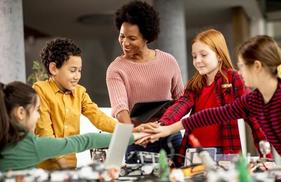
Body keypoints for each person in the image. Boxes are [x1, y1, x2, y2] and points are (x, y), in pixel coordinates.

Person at [148, 35, 281, 167]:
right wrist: (165, 127)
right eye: (194, 56)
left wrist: (266, 157)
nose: (240, 72)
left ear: (257, 66)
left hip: (226, 151)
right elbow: (213, 115)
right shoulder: (256, 100)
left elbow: (257, 125)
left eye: (242, 66)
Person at [33, 38, 148, 170]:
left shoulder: (79, 92)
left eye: (79, 70)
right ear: (54, 68)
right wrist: (60, 160)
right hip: (45, 168)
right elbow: (45, 133)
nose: (77, 76)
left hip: (70, 166)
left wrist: (130, 130)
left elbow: (99, 118)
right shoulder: (40, 90)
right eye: (72, 70)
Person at [0, 81, 146, 171]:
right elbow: (86, 140)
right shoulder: (31, 146)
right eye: (37, 110)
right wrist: (132, 136)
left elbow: (97, 116)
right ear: (20, 112)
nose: (38, 115)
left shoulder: (80, 93)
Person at [106, 1, 184, 159]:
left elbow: (181, 100)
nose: (125, 43)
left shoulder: (168, 61)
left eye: (132, 38)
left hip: (171, 137)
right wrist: (133, 133)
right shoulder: (116, 69)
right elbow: (120, 108)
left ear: (146, 37)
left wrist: (164, 127)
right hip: (138, 140)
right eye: (122, 36)